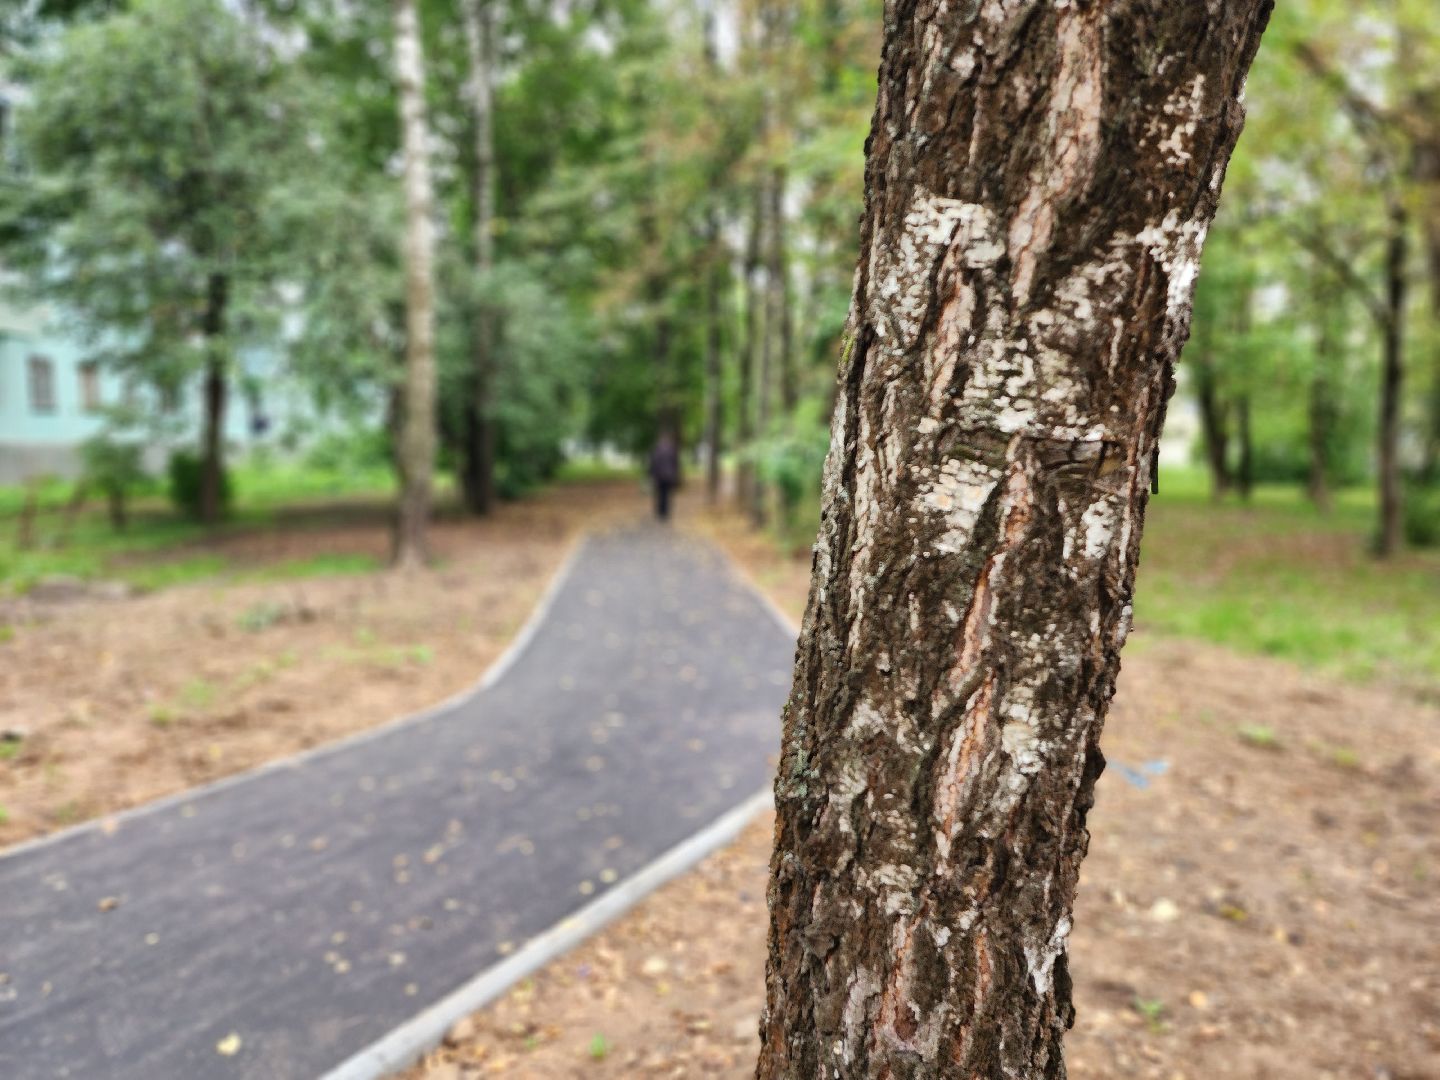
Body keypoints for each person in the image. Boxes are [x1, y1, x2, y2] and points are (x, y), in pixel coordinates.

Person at [649, 431, 681, 521]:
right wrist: (676, 474)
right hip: (669, 476)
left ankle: (660, 512)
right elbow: (676, 463)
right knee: (667, 494)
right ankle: (666, 513)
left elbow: (653, 463)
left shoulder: (656, 450)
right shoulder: (672, 450)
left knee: (660, 494)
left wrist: (651, 474)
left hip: (659, 476)